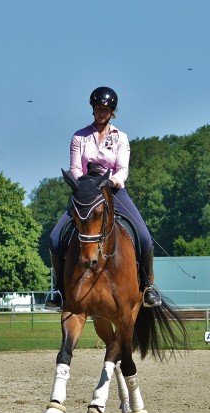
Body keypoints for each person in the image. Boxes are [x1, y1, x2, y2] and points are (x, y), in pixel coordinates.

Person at [46, 86, 161, 309]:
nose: (102, 113)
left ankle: (148, 287)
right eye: (98, 109)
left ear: (112, 111)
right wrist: (87, 185)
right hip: (86, 192)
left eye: (106, 110)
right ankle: (58, 290)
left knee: (145, 238)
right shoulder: (79, 136)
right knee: (54, 238)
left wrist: (110, 182)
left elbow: (122, 169)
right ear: (93, 109)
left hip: (114, 191)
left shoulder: (121, 137)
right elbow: (75, 168)